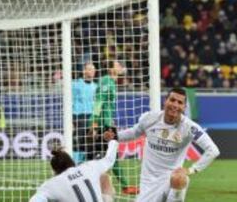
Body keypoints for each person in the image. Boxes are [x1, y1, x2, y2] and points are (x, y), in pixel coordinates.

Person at [104, 87, 220, 201]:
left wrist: (190, 170)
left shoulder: (189, 127)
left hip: (170, 179)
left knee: (179, 178)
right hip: (148, 182)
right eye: (172, 100)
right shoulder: (150, 118)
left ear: (184, 107)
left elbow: (213, 150)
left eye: (180, 102)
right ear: (165, 101)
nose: (175, 105)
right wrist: (115, 136)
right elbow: (134, 132)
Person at [90, 60, 139, 195]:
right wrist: (94, 122)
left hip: (107, 123)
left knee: (111, 155)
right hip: (103, 124)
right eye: (118, 65)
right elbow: (99, 101)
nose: (121, 67)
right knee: (104, 155)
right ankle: (122, 186)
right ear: (111, 69)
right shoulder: (106, 81)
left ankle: (124, 186)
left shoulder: (111, 82)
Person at [29, 140, 118, 202]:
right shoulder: (90, 167)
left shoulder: (52, 184)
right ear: (72, 162)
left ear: (54, 171)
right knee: (104, 177)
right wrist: (113, 141)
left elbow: (36, 199)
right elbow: (109, 160)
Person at [72, 62, 97, 164]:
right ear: (84, 71)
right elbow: (70, 101)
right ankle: (75, 164)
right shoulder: (75, 85)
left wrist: (96, 120)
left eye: (93, 69)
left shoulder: (96, 86)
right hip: (79, 116)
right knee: (79, 141)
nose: (92, 71)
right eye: (90, 69)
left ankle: (87, 165)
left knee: (91, 142)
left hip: (92, 117)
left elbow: (98, 104)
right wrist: (71, 118)